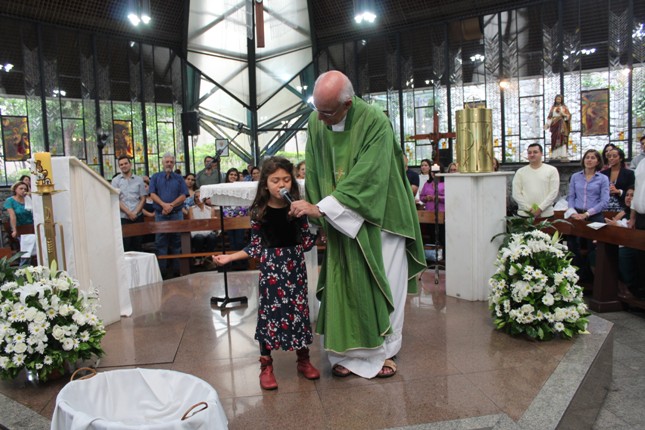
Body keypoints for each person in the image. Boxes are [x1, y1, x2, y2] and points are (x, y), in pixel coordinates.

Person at [289, 70, 425, 379]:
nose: (320, 118)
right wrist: (320, 216)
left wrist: (324, 207)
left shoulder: (374, 121)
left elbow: (370, 173)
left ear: (347, 103)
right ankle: (345, 354)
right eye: (317, 110)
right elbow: (315, 168)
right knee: (344, 284)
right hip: (339, 218)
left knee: (384, 283)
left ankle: (384, 352)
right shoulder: (316, 121)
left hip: (382, 216)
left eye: (327, 112)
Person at [212, 156, 320, 390]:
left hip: (294, 267)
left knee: (298, 311)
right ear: (265, 184)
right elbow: (256, 246)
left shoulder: (297, 207)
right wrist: (230, 257)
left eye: (286, 180)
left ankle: (303, 359)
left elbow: (306, 243)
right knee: (269, 315)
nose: (281, 185)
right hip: (272, 269)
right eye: (275, 180)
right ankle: (266, 365)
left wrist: (317, 227)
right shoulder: (259, 211)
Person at [567, 149, 609, 281]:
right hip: (577, 214)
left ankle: (593, 278)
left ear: (598, 161)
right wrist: (573, 211)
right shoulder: (575, 176)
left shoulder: (603, 178)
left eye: (593, 158)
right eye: (587, 157)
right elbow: (571, 196)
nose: (589, 160)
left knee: (593, 248)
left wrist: (587, 214)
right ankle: (579, 276)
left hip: (594, 215)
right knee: (573, 245)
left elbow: (604, 201)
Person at [149, 153, 189, 278]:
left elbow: (183, 195)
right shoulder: (155, 177)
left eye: (171, 162)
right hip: (160, 215)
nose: (169, 164)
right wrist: (163, 205)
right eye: (167, 162)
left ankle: (177, 273)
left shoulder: (179, 178)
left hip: (176, 214)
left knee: (176, 243)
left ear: (174, 164)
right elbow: (152, 194)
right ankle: (162, 274)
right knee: (161, 244)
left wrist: (171, 205)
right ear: (162, 163)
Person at [604, 187, 639, 293]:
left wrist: (618, 225)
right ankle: (612, 287)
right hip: (617, 242)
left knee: (622, 254)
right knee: (596, 254)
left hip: (632, 244)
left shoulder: (639, 214)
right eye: (627, 195)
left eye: (632, 195)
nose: (628, 198)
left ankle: (629, 288)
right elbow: (613, 223)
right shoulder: (624, 212)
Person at [511, 143, 560, 218]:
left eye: (535, 152)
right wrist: (529, 209)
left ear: (541, 154)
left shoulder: (551, 170)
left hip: (546, 214)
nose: (532, 155)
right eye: (529, 153)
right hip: (525, 214)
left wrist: (540, 209)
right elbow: (516, 194)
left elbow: (553, 192)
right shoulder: (520, 172)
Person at [112, 156, 146, 252]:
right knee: (125, 245)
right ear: (119, 167)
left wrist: (135, 212)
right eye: (121, 164)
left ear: (130, 164)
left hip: (138, 216)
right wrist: (129, 213)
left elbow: (143, 198)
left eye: (125, 163)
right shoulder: (115, 181)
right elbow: (116, 199)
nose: (124, 166)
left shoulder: (139, 180)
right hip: (123, 217)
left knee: (138, 245)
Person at [4, 181, 33, 266]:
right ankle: (23, 268)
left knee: (33, 250)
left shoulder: (28, 199)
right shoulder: (10, 201)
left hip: (31, 227)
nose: (23, 190)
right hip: (20, 228)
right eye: (21, 188)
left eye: (25, 189)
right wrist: (14, 230)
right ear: (15, 189)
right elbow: (12, 216)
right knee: (25, 251)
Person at [628, 161, 645, 296]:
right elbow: (637, 190)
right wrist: (632, 217)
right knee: (640, 256)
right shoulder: (641, 163)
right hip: (640, 216)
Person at [189, 190, 218, 266]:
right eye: (196, 197)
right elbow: (193, 223)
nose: (198, 199)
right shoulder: (191, 209)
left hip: (208, 231)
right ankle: (198, 257)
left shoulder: (211, 209)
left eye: (200, 197)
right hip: (197, 231)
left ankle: (207, 257)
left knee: (212, 237)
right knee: (199, 237)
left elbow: (212, 224)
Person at [602, 147, 635, 212]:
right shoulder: (603, 173)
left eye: (614, 156)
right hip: (604, 206)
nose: (611, 158)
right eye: (609, 156)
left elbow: (632, 192)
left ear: (621, 158)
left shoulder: (629, 173)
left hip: (622, 206)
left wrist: (619, 191)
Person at [545, 94, 571, 160]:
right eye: (557, 99)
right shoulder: (553, 108)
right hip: (554, 125)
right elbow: (550, 117)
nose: (558, 100)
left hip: (562, 125)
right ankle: (555, 155)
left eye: (559, 99)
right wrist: (547, 124)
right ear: (555, 100)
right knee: (554, 139)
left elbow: (568, 116)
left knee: (562, 138)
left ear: (561, 100)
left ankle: (563, 154)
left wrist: (563, 114)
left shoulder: (564, 107)